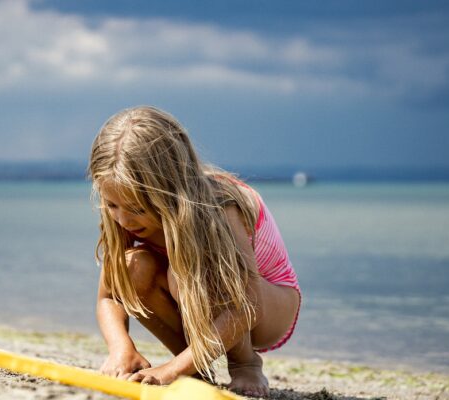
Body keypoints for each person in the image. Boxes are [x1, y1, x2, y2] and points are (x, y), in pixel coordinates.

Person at [88, 106, 301, 397]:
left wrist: (171, 371)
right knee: (130, 268)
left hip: (267, 308)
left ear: (169, 190)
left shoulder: (220, 206)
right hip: (197, 300)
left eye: (137, 209)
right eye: (112, 205)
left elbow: (247, 305)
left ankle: (245, 363)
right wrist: (121, 349)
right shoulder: (124, 203)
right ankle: (195, 369)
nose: (124, 220)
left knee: (186, 270)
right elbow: (109, 296)